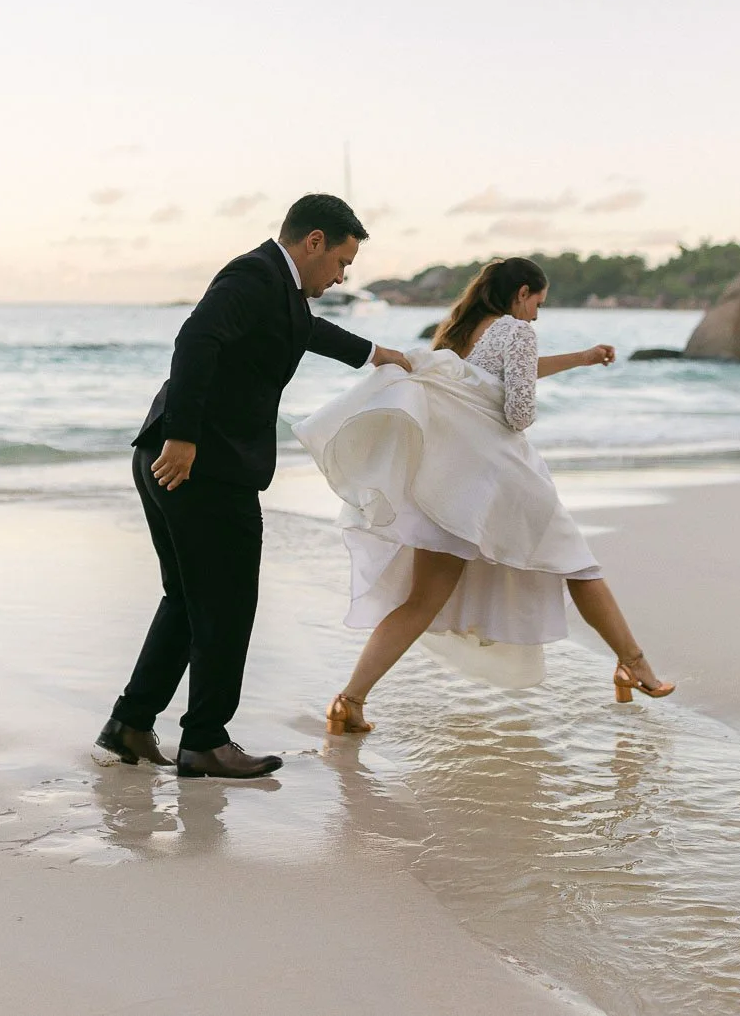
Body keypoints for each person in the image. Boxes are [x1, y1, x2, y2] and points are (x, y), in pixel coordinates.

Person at [293, 256, 675, 737]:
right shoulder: (516, 331)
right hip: (504, 479)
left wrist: (580, 358)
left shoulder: (464, 332)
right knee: (579, 566)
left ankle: (348, 700)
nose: (536, 314)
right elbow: (516, 411)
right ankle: (634, 666)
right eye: (538, 302)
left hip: (452, 486)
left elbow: (492, 380)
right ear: (521, 293)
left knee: (421, 602)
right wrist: (529, 402)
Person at [97, 194, 411, 778]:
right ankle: (205, 741)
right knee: (228, 603)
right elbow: (194, 340)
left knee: (189, 601)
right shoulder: (252, 275)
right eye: (341, 261)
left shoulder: (276, 288)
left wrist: (372, 353)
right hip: (197, 466)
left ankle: (131, 725)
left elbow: (303, 329)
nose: (342, 275)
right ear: (313, 242)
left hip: (174, 460)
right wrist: (185, 437)